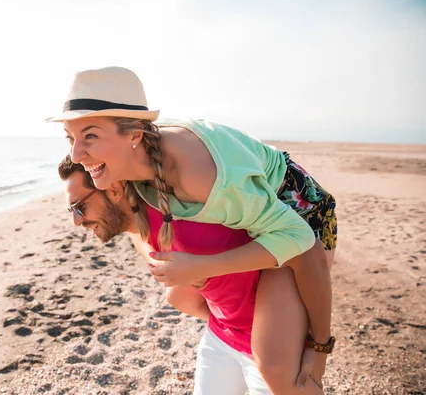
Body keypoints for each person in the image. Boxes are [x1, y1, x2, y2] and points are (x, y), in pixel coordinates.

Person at [49, 67, 337, 393]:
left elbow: (299, 240)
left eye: (90, 136)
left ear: (133, 135)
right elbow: (134, 226)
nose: (75, 153)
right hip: (257, 210)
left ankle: (318, 350)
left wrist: (201, 267)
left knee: (273, 363)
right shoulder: (128, 167)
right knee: (179, 295)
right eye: (71, 139)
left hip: (301, 212)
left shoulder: (195, 175)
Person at [58, 157, 329, 394]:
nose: (76, 221)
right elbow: (140, 236)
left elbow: (303, 249)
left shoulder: (187, 209)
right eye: (71, 211)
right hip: (220, 336)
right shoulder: (142, 219)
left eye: (79, 208)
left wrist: (319, 346)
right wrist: (164, 264)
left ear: (115, 188)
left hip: (272, 346)